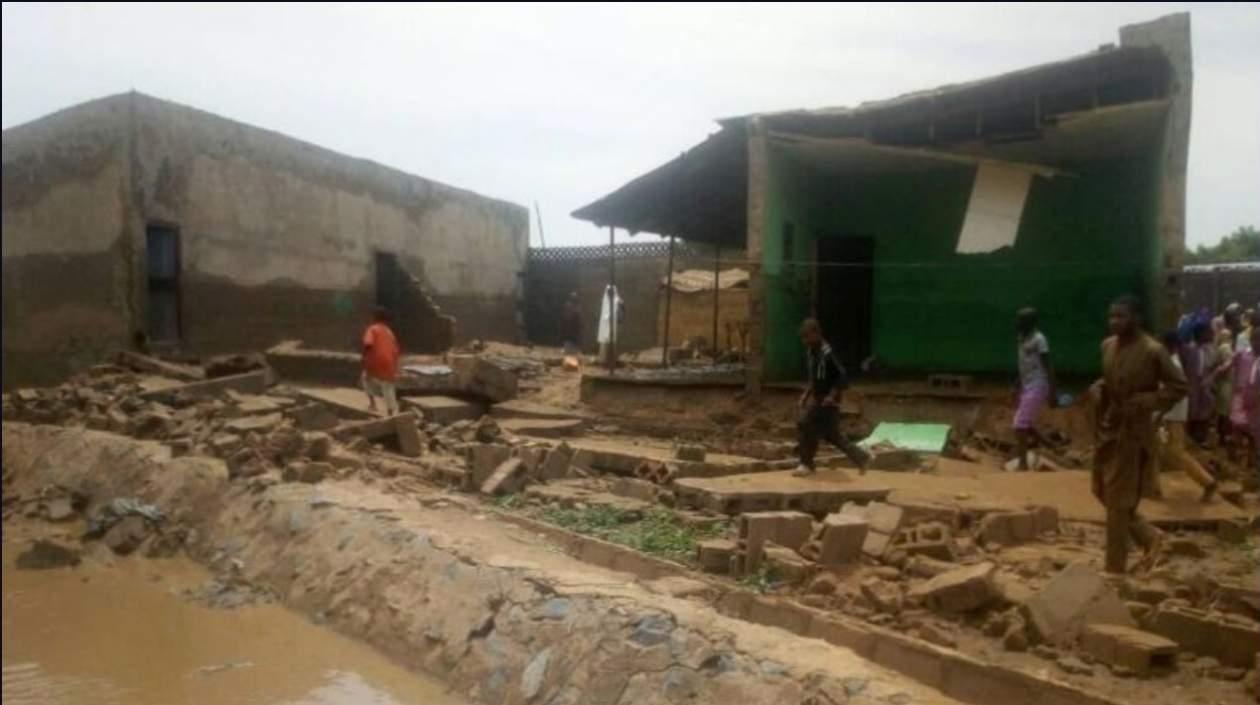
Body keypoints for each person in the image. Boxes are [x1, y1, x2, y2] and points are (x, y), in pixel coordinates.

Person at [1090, 296, 1186, 575]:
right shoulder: (1107, 346)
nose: (1114, 322)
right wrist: (1099, 388)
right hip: (1108, 427)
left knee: (1118, 503)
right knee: (1100, 490)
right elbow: (1110, 380)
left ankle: (1114, 569)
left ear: (1137, 318)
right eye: (1111, 317)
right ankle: (1149, 537)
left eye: (1121, 317)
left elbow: (1179, 386)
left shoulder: (1153, 350)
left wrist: (1151, 400)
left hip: (1134, 432)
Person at [792, 319, 872, 477]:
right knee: (832, 435)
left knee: (805, 424)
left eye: (808, 337)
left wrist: (831, 395)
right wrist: (806, 395)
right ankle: (863, 458)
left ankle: (806, 464)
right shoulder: (811, 352)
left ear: (816, 334)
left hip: (828, 401)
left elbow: (841, 377)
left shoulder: (828, 354)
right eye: (804, 338)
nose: (805, 341)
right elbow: (815, 379)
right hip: (818, 398)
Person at [1158, 332, 1218, 502]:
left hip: (1173, 413)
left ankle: (1207, 482)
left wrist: (1161, 411)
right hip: (1171, 412)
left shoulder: (1173, 363)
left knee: (1176, 451)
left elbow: (1175, 391)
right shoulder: (1171, 362)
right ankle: (1150, 487)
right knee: (1163, 449)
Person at [1012, 308, 1057, 470]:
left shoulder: (1040, 339)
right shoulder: (1021, 338)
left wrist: (1052, 391)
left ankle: (1022, 464)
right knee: (1025, 422)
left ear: (1030, 322)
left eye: (1021, 320)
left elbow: (1048, 365)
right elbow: (1023, 363)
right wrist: (1018, 383)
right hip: (1027, 384)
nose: (1017, 323)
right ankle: (1052, 446)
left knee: (1019, 424)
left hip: (1038, 384)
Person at [1181, 321, 1217, 445]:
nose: (1211, 334)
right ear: (1201, 334)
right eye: (1208, 332)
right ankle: (1190, 438)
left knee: (1205, 409)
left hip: (1204, 384)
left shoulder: (1209, 350)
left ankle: (1201, 438)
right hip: (1191, 384)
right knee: (1191, 410)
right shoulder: (1189, 349)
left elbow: (1211, 367)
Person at [1228, 327, 1260, 467]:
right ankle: (1234, 458)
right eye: (1256, 339)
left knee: (1255, 432)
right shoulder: (1242, 354)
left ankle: (1251, 462)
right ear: (1251, 340)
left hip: (1257, 400)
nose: (1258, 342)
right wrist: (1211, 377)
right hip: (1240, 397)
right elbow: (1227, 365)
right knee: (1237, 425)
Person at [361, 306, 401, 416]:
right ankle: (390, 412)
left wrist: (364, 357)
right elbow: (396, 350)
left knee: (365, 378)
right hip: (390, 362)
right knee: (388, 387)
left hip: (375, 360)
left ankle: (372, 404)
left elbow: (368, 344)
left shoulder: (372, 329)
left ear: (374, 317)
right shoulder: (389, 332)